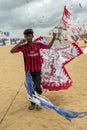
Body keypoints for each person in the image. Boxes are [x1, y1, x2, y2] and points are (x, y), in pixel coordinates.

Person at [10, 28, 56, 110]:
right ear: (25, 37)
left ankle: (39, 102)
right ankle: (32, 103)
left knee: (37, 87)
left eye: (30, 36)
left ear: (32, 36)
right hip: (28, 72)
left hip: (37, 71)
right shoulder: (23, 47)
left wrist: (53, 38)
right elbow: (12, 51)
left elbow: (48, 47)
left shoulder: (38, 45)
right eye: (27, 36)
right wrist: (19, 43)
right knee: (30, 87)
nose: (28, 38)